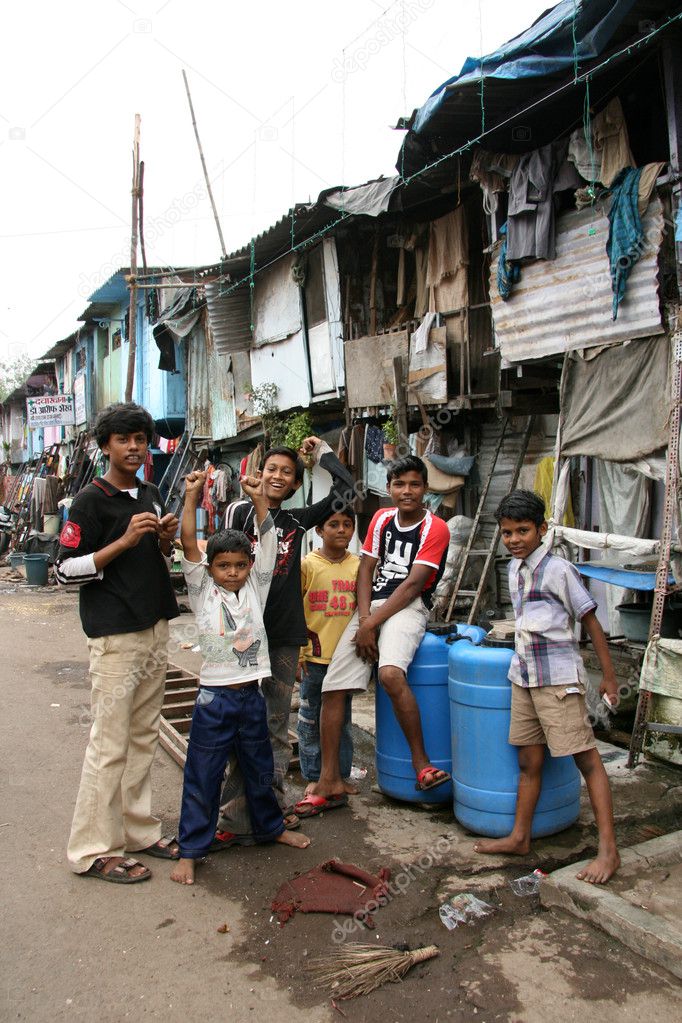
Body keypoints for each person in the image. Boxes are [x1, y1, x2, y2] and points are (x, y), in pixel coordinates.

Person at [56, 402, 180, 884]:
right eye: (123, 439)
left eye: (140, 439)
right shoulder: (89, 500)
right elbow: (64, 570)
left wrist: (162, 537)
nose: (133, 447)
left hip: (153, 627)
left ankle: (137, 829)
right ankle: (91, 849)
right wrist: (123, 542)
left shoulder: (149, 492)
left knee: (143, 735)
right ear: (105, 446)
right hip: (114, 635)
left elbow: (157, 556)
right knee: (108, 744)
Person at [473, 489, 621, 885]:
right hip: (523, 678)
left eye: (523, 530)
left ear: (542, 529)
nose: (515, 539)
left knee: (587, 760)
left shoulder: (559, 570)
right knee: (528, 761)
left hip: (557, 681)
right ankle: (520, 836)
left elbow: (590, 621)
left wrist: (608, 676)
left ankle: (609, 850)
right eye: (507, 532)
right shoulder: (513, 569)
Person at [170, 470, 310, 885]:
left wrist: (259, 498)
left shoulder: (257, 586)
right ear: (209, 568)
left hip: (252, 697)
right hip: (214, 700)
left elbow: (269, 538)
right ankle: (191, 850)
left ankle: (271, 827)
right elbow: (188, 543)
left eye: (238, 565)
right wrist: (192, 496)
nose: (231, 572)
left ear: (250, 566)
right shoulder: (201, 590)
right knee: (203, 774)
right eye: (223, 566)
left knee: (259, 767)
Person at [215, 435, 355, 842]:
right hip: (243, 634)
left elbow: (346, 490)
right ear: (259, 475)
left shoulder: (296, 521)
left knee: (276, 722)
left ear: (296, 485)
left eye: (287, 473)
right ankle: (233, 816)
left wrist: (324, 453)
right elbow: (225, 567)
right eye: (271, 469)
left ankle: (271, 808)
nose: (277, 477)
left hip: (283, 636)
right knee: (240, 722)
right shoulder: (241, 511)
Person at [301, 455, 451, 817]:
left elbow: (414, 585)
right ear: (388, 489)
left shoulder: (436, 527)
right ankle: (328, 780)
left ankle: (422, 765)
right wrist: (365, 617)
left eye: (415, 484)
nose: (407, 491)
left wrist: (370, 624)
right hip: (370, 607)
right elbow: (366, 571)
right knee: (331, 687)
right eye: (399, 485)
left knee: (388, 674)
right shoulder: (381, 519)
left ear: (425, 489)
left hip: (409, 607)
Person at [297, 506, 359, 792]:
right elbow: (296, 609)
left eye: (347, 524)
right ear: (319, 531)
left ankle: (339, 776)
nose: (342, 530)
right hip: (314, 658)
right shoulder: (307, 565)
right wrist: (298, 653)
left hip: (345, 659)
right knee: (310, 718)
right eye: (333, 524)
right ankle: (313, 776)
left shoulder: (358, 566)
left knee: (342, 720)